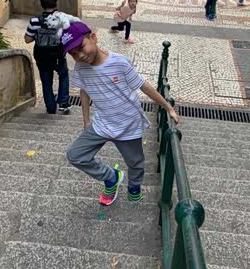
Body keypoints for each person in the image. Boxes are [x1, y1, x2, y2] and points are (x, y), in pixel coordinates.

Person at [64, 21, 180, 206]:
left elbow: (143, 85)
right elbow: (84, 91)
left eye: (81, 48)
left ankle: (134, 187)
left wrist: (168, 107)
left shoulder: (119, 62)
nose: (79, 55)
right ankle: (111, 177)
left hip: (128, 124)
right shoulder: (80, 67)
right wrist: (86, 120)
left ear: (93, 38)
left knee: (135, 162)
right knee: (75, 155)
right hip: (102, 124)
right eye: (73, 53)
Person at [24, 0, 71, 114]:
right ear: (56, 3)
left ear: (41, 4)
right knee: (63, 75)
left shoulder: (35, 21)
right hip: (58, 55)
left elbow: (27, 39)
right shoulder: (62, 19)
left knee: (46, 81)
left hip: (42, 56)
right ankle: (63, 102)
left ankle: (50, 107)